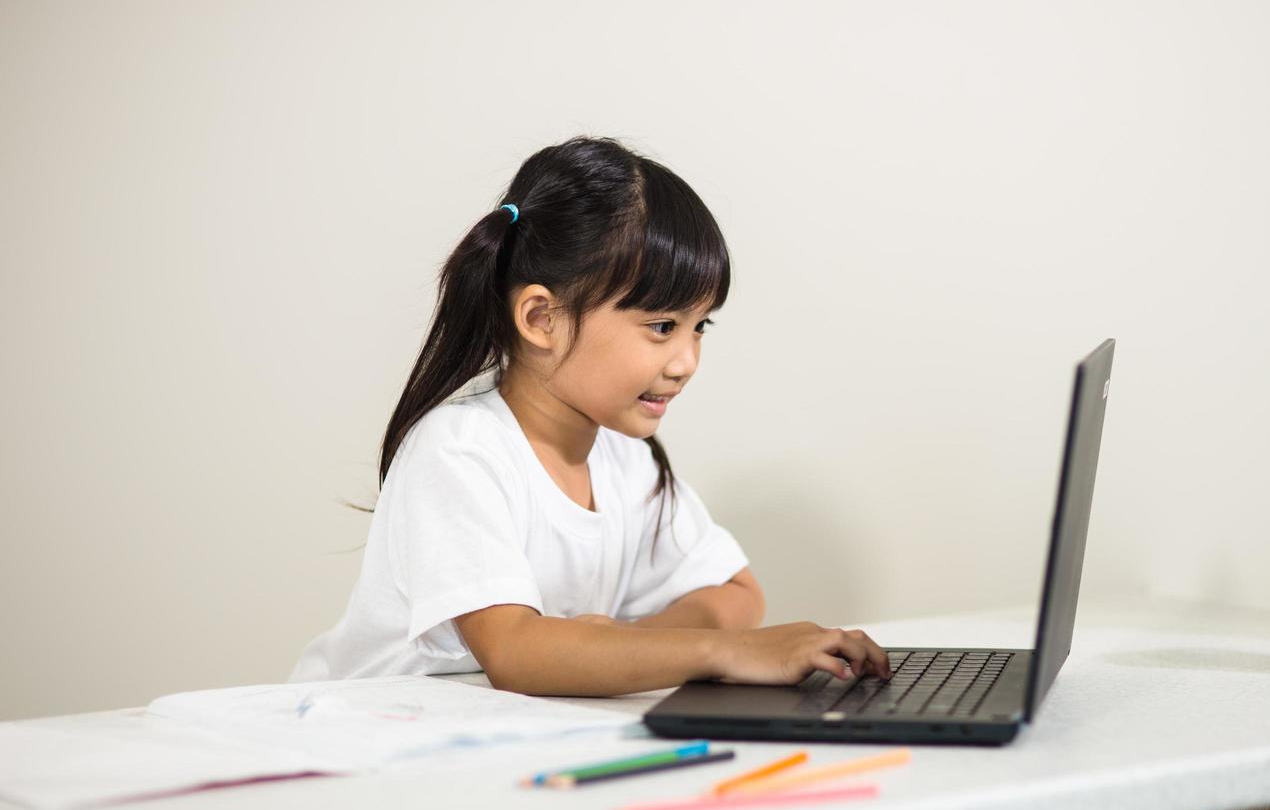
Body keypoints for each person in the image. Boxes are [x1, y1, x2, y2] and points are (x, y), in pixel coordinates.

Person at [289, 136, 891, 695]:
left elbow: (736, 593)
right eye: (661, 327)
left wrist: (608, 646)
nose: (687, 362)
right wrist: (720, 652)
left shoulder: (626, 458)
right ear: (542, 319)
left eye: (698, 326)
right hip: (355, 746)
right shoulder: (460, 451)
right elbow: (516, 652)